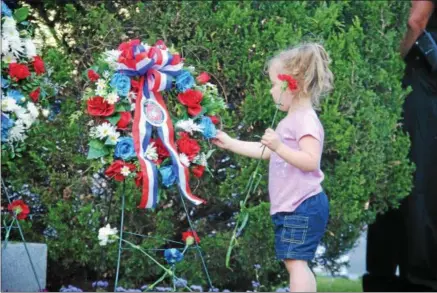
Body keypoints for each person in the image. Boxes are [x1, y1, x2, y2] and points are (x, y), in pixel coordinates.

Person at [213, 43, 333, 292]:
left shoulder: (305, 120)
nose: (270, 92)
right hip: (294, 206)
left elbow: (311, 161)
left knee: (295, 262)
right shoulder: (291, 120)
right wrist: (230, 143)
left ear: (293, 85)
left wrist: (279, 147)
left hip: (302, 205)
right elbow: (266, 151)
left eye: (274, 85)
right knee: (297, 262)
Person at [364, 0, 437, 291]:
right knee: (401, 179)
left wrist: (386, 65)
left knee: (411, 181)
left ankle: (411, 278)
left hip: (417, 74)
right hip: (418, 78)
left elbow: (414, 21)